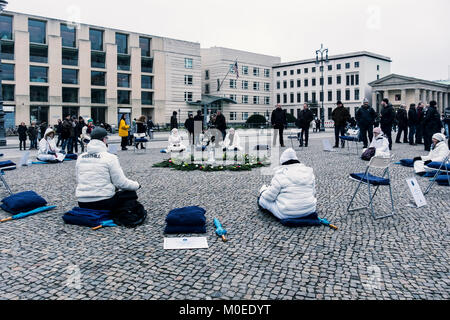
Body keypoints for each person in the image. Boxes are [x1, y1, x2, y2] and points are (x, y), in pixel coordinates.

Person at [76, 127, 140, 210]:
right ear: (104, 140)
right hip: (103, 201)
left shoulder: (80, 157)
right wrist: (137, 185)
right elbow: (121, 183)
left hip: (82, 203)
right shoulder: (110, 157)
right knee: (131, 193)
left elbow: (78, 179)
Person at [258, 148, 317, 220]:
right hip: (310, 210)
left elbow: (269, 197)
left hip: (286, 213)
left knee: (262, 200)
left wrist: (263, 191)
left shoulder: (280, 174)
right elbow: (313, 192)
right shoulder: (308, 172)